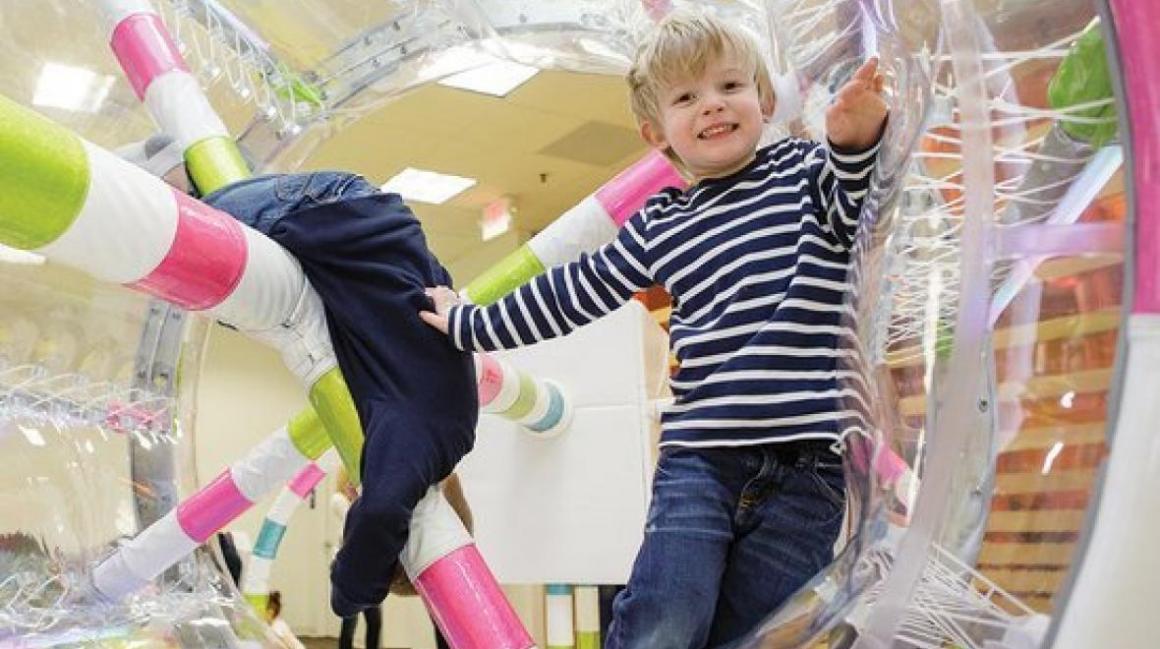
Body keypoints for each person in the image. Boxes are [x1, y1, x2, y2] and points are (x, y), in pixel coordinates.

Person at [421, 11, 888, 649]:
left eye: (730, 86)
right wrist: (470, 323)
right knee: (664, 621)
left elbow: (854, 206)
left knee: (753, 634)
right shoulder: (663, 222)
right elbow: (573, 292)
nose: (712, 105)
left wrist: (855, 140)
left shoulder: (807, 172)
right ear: (656, 133)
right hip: (703, 461)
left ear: (764, 99)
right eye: (686, 98)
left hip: (810, 470)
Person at [122, 136, 481, 620]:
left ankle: (192, 171)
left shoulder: (456, 424)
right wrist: (351, 596)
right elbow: (380, 516)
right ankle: (167, 163)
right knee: (161, 229)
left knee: (222, 282)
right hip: (330, 216)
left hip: (350, 216)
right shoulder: (416, 446)